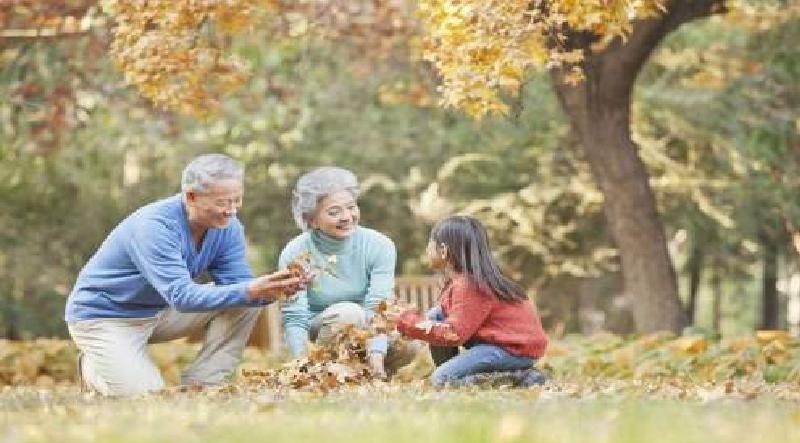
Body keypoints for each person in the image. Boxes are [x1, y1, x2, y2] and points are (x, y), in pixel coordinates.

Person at [64, 154, 305, 396]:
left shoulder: (228, 228)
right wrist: (252, 289)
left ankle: (203, 385)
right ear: (191, 196)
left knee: (247, 300)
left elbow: (240, 286)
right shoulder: (154, 227)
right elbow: (182, 297)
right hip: (105, 318)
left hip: (159, 311)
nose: (231, 211)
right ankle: (93, 369)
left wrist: (274, 289)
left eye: (237, 200)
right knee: (147, 397)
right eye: (222, 202)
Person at [279, 167, 414, 378]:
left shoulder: (379, 245)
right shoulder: (296, 253)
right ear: (311, 219)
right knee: (349, 313)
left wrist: (376, 355)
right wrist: (300, 363)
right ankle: (321, 371)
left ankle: (367, 373)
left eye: (351, 207)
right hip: (321, 332)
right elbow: (295, 316)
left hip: (367, 331)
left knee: (410, 337)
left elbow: (379, 305)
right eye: (334, 212)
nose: (347, 217)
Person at [395, 215, 548, 387]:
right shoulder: (464, 281)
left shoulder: (470, 286)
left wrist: (408, 322)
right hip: (499, 345)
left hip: (512, 349)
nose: (426, 249)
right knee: (436, 315)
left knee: (442, 379)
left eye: (430, 243)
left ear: (444, 250)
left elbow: (454, 333)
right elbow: (442, 322)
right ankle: (450, 371)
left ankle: (520, 378)